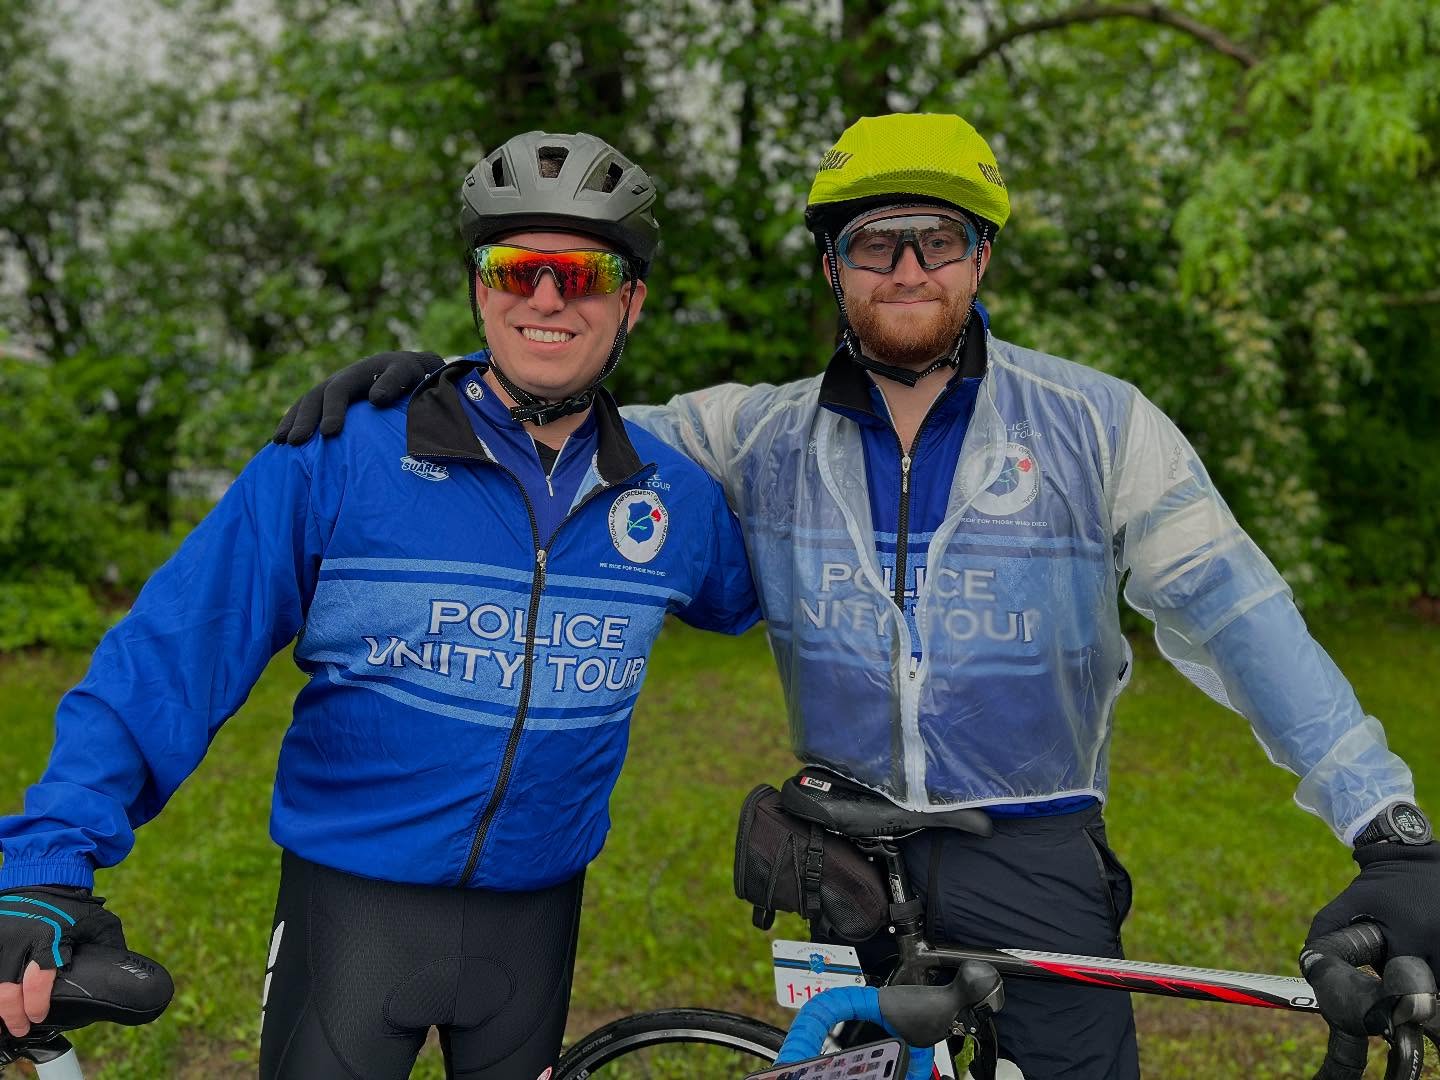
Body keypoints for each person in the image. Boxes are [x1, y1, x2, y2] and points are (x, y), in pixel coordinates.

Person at [273, 113, 1439, 1079]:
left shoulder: (1100, 423)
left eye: (936, 240)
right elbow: (562, 421)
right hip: (846, 854)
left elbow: (1238, 615)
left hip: (1033, 845)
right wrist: (439, 386)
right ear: (832, 266)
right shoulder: (752, 432)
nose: (908, 270)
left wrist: (1383, 823)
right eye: (873, 245)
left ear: (983, 255)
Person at [0, 130, 759, 1079]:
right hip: (350, 916)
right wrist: (46, 859)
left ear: (633, 300)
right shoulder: (343, 453)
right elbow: (174, 653)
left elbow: (803, 596)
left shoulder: (673, 500)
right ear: (482, 288)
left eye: (587, 271)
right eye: (515, 267)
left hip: (537, 920)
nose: (548, 296)